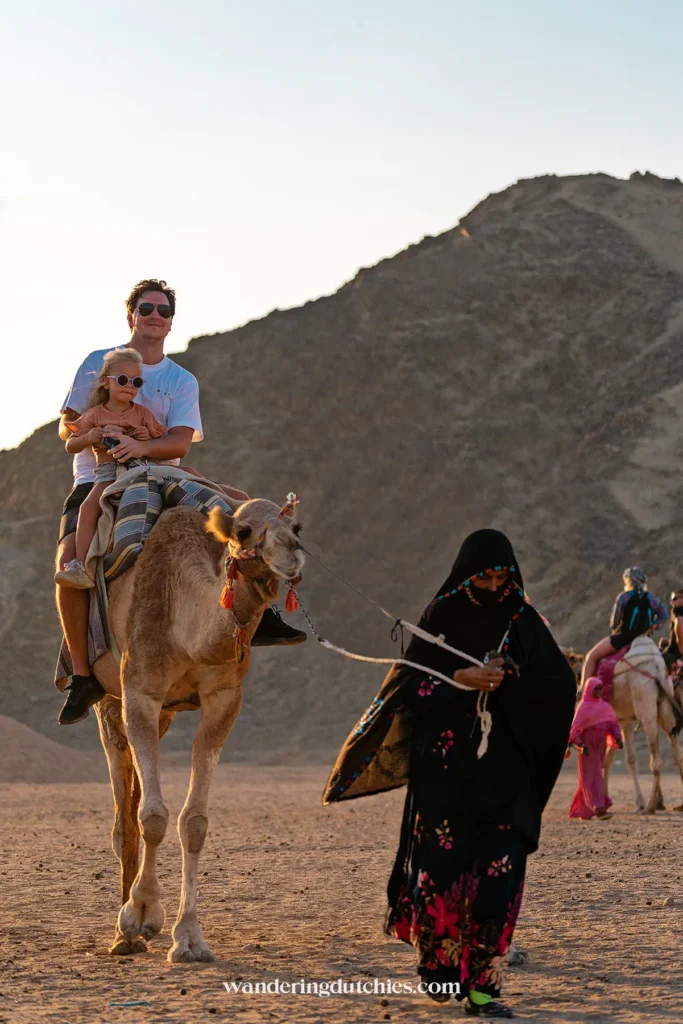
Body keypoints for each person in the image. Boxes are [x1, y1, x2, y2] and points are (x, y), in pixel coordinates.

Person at [322, 530, 576, 1018]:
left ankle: (484, 990)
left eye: (503, 575)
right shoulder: (440, 618)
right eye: (485, 575)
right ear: (467, 574)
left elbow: (558, 689)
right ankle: (439, 972)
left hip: (505, 780)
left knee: (497, 881)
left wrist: (507, 681)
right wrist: (459, 682)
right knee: (438, 878)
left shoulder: (523, 623)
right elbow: (407, 691)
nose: (494, 584)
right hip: (444, 779)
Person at [55, 278, 305, 727]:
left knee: (241, 511)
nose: (155, 316)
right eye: (147, 308)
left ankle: (256, 616)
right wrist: (92, 437)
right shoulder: (98, 362)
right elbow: (68, 426)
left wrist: (140, 449)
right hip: (100, 476)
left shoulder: (180, 380)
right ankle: (80, 674)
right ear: (130, 314)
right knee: (70, 557)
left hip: (161, 471)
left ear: (172, 321)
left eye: (164, 311)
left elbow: (179, 442)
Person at [55, 348, 167, 589]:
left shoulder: (142, 413)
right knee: (87, 508)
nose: (129, 386)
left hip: (137, 470)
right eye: (123, 380)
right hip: (106, 474)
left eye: (136, 382)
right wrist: (89, 437)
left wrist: (144, 436)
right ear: (106, 382)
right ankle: (81, 566)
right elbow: (70, 441)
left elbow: (161, 436)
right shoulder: (94, 415)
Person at [580, 567, 668, 688]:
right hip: (645, 639)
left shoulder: (624, 597)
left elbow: (614, 623)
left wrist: (615, 628)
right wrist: (653, 626)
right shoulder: (652, 599)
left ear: (628, 581)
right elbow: (664, 616)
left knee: (591, 657)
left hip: (623, 638)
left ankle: (583, 691)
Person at [567, 678, 623, 820]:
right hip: (588, 745)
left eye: (600, 689)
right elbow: (574, 729)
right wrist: (580, 744)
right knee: (592, 776)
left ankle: (584, 810)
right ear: (589, 690)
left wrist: (618, 737)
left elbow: (613, 724)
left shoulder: (605, 707)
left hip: (601, 745)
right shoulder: (583, 707)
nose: (598, 692)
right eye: (595, 689)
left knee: (595, 774)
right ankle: (599, 808)